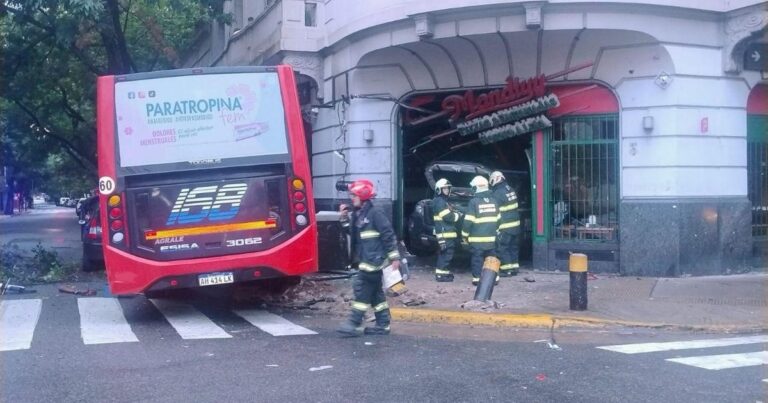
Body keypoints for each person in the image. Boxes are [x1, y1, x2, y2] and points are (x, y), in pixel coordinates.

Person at [337, 179, 401, 337]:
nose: (352, 198)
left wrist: (394, 257)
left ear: (362, 196)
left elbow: (388, 234)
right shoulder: (359, 214)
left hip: (373, 262)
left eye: (354, 195)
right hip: (365, 260)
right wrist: (344, 218)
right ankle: (383, 325)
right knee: (376, 295)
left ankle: (353, 322)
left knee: (362, 290)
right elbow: (353, 234)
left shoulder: (375, 212)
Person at [461, 175, 499, 285]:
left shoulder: (474, 202)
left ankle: (477, 279)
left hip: (477, 239)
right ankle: (494, 279)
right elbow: (499, 220)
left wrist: (464, 235)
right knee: (491, 258)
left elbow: (468, 221)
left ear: (477, 188)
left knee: (477, 259)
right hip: (491, 239)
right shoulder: (493, 201)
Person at [489, 171, 521, 277]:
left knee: (503, 247)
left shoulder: (498, 193)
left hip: (505, 225)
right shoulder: (510, 189)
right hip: (515, 225)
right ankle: (514, 268)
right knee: (513, 247)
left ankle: (506, 270)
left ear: (496, 179)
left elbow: (494, 209)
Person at [431, 178, 462, 282]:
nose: (447, 191)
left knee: (446, 254)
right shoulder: (440, 201)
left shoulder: (443, 201)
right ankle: (440, 275)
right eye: (444, 189)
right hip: (445, 233)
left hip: (447, 233)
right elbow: (448, 217)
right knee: (446, 254)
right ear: (439, 190)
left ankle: (444, 272)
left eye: (448, 189)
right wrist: (457, 215)